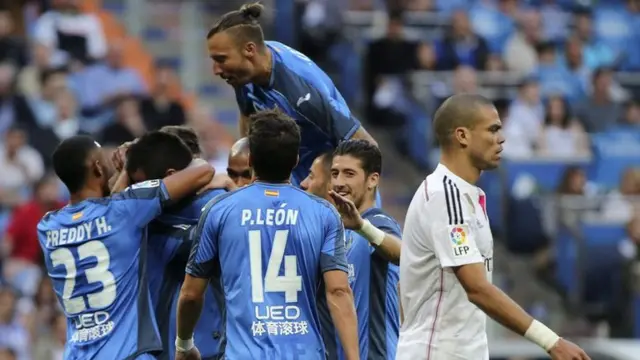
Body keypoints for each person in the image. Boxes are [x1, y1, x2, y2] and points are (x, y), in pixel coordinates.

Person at [397, 94, 589, 360]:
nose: (502, 138)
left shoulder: (467, 196)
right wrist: (550, 340)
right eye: (493, 129)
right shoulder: (445, 195)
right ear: (462, 136)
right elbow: (476, 288)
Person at [175, 109, 359, 360]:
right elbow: (338, 291)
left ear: (250, 160)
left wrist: (184, 344)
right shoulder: (324, 213)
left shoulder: (219, 210)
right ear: (295, 160)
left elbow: (191, 293)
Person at [36, 135, 214, 360]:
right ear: (98, 169)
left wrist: (121, 177)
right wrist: (128, 165)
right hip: (127, 354)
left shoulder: (47, 227)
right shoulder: (124, 211)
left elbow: (98, 211)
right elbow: (202, 170)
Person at [206, 2, 377, 187]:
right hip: (290, 177)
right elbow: (247, 114)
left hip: (324, 187)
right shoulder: (244, 71)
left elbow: (366, 144)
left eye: (221, 59)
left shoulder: (301, 91)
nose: (215, 70)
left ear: (249, 50)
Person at [124, 131, 227, 360]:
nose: (134, 194)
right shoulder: (137, 217)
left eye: (140, 184)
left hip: (205, 349)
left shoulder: (217, 207)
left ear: (170, 176)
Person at [307, 140, 402, 359]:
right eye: (335, 173)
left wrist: (362, 226)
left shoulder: (377, 222)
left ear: (372, 180)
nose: (339, 182)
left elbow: (401, 254)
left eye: (349, 174)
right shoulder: (337, 230)